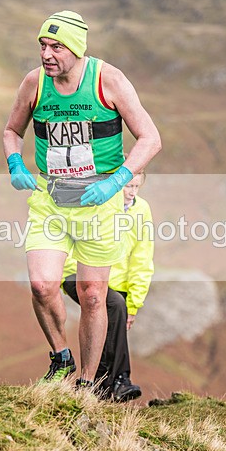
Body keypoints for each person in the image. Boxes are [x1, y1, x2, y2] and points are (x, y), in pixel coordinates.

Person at [2, 10, 161, 390]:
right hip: (51, 200)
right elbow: (12, 131)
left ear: (76, 49)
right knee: (42, 285)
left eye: (56, 47)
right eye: (43, 45)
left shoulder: (109, 80)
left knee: (93, 296)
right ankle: (61, 357)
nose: (46, 54)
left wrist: (117, 181)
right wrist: (14, 162)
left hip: (99, 203)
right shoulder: (34, 83)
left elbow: (151, 138)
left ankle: (87, 382)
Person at [62, 171, 154, 402]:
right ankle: (121, 379)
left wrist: (134, 303)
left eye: (136, 187)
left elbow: (142, 258)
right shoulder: (96, 202)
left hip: (117, 283)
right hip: (77, 273)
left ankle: (100, 390)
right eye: (127, 186)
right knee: (114, 304)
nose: (131, 192)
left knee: (113, 320)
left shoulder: (142, 210)